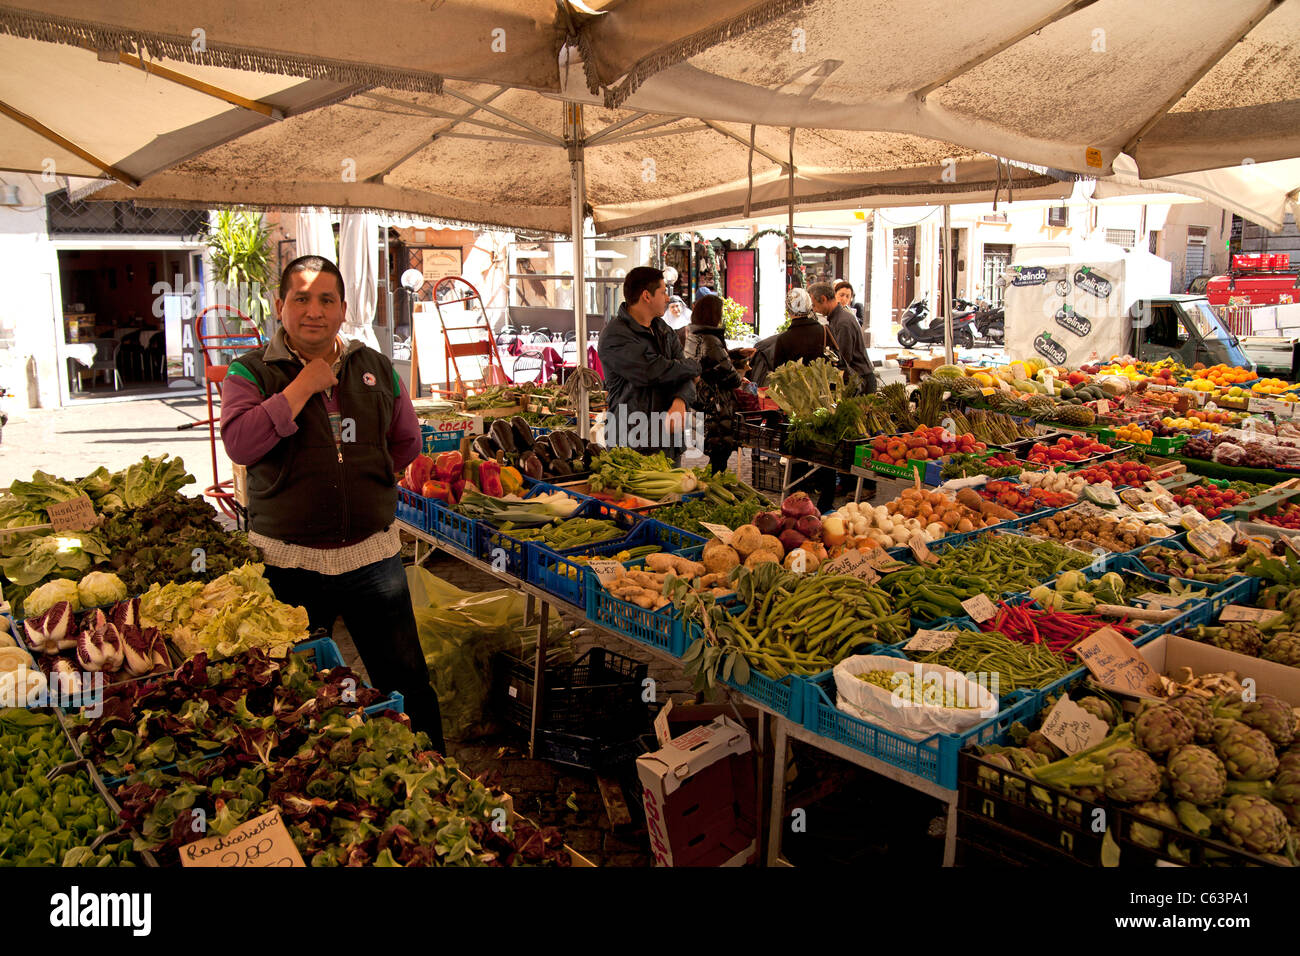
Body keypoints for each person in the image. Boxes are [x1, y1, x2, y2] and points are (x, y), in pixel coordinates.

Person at [220, 254, 445, 752]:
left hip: (371, 558)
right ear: (280, 306)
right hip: (287, 564)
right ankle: (304, 793)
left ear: (343, 309)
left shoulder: (376, 367)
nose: (313, 310)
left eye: (326, 299)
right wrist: (300, 387)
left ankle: (438, 778)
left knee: (406, 679)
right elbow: (239, 442)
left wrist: (361, 479)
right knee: (292, 693)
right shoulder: (250, 371)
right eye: (300, 298)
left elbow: (406, 441)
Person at [598, 266, 701, 463]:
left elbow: (683, 375)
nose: (667, 298)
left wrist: (681, 400)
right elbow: (651, 370)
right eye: (663, 292)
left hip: (669, 441)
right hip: (632, 443)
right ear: (647, 296)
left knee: (674, 493)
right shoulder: (614, 336)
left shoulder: (664, 330)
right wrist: (694, 367)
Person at [771, 288, 838, 511]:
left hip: (797, 410)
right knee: (825, 453)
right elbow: (836, 365)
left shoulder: (784, 340)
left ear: (788, 310)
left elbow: (776, 374)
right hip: (824, 405)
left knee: (797, 453)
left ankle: (796, 502)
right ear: (809, 306)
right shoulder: (824, 332)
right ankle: (826, 503)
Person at [684, 295, 746, 474]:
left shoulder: (694, 335)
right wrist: (741, 374)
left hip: (702, 402)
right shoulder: (711, 340)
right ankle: (710, 490)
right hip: (716, 407)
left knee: (717, 458)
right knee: (720, 457)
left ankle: (710, 486)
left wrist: (735, 354)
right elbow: (731, 377)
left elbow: (709, 364)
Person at [810, 281, 876, 394]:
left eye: (815, 305)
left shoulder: (843, 323)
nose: (815, 310)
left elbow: (843, 358)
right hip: (857, 380)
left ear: (824, 299)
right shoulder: (837, 318)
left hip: (861, 382)